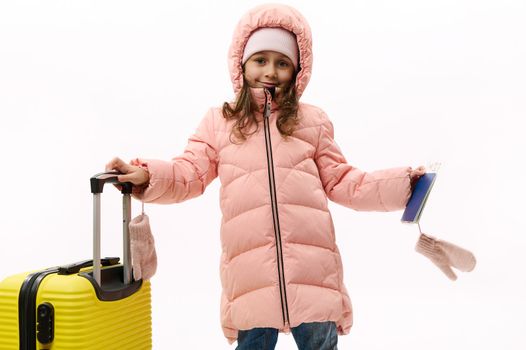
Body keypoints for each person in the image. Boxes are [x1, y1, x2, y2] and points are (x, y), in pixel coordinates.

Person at [105, 4, 425, 350]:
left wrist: (403, 185)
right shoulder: (220, 122)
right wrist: (146, 175)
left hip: (313, 274)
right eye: (260, 60)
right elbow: (189, 173)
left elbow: (344, 181)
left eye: (282, 62)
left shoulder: (312, 122)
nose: (270, 71)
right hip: (250, 276)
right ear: (241, 64)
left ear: (298, 69)